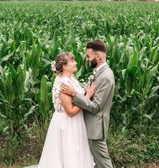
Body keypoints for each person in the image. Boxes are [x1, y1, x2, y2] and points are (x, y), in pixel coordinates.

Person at [61, 40, 115, 168]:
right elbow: (88, 92)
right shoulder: (99, 72)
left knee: (103, 163)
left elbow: (96, 107)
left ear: (98, 56)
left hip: (95, 128)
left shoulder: (106, 76)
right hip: (89, 126)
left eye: (88, 56)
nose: (87, 59)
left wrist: (75, 94)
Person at [38, 52, 96, 168]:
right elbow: (70, 111)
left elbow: (76, 96)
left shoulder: (71, 79)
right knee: (69, 155)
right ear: (64, 66)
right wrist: (87, 97)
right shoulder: (63, 83)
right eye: (72, 61)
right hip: (67, 124)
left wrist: (85, 90)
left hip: (75, 122)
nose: (75, 63)